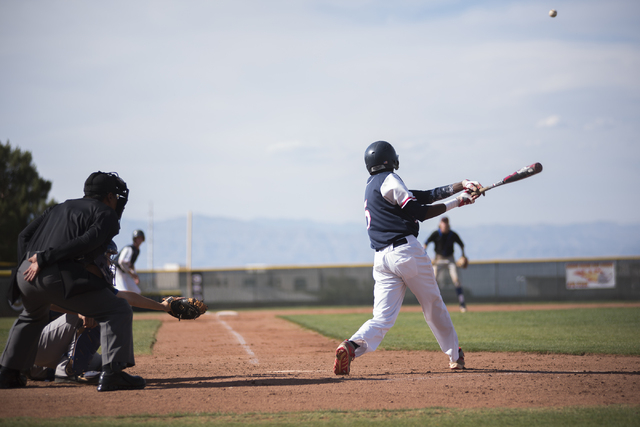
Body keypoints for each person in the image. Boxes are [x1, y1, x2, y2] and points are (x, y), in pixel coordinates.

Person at [333, 141, 483, 376]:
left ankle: (351, 346)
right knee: (432, 304)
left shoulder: (372, 185)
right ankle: (454, 355)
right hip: (406, 253)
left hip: (381, 259)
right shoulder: (390, 179)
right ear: (389, 160)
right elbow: (420, 212)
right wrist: (459, 201)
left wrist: (461, 185)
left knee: (382, 318)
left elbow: (424, 196)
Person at [0, 171, 145, 392]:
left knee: (31, 316)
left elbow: (23, 236)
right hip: (53, 272)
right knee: (117, 309)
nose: (117, 201)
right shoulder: (106, 214)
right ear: (108, 196)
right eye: (116, 196)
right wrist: (45, 259)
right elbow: (87, 241)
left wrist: (28, 264)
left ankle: (8, 373)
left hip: (25, 272)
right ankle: (113, 374)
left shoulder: (59, 207)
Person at [29, 241, 175, 384]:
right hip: (38, 345)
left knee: (104, 363)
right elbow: (47, 302)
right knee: (97, 309)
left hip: (52, 352)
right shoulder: (69, 275)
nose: (109, 263)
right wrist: (79, 310)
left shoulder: (93, 284)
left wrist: (163, 306)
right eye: (107, 257)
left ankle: (48, 370)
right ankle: (69, 371)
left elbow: (128, 297)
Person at [424, 216, 469, 312]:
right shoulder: (436, 233)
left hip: (450, 259)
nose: (445, 225)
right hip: (438, 259)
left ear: (448, 225)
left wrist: (463, 255)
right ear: (440, 224)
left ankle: (462, 304)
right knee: (433, 281)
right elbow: (426, 243)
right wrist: (424, 255)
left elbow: (462, 244)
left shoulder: (452, 234)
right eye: (443, 223)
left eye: (446, 223)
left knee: (456, 280)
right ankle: (430, 305)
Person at [114, 229, 145, 294]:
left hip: (124, 272)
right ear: (134, 239)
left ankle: (130, 304)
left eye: (140, 238)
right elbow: (121, 262)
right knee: (123, 291)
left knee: (136, 292)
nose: (139, 240)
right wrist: (132, 274)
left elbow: (131, 265)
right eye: (138, 238)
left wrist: (134, 275)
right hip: (116, 270)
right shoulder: (129, 248)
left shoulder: (137, 251)